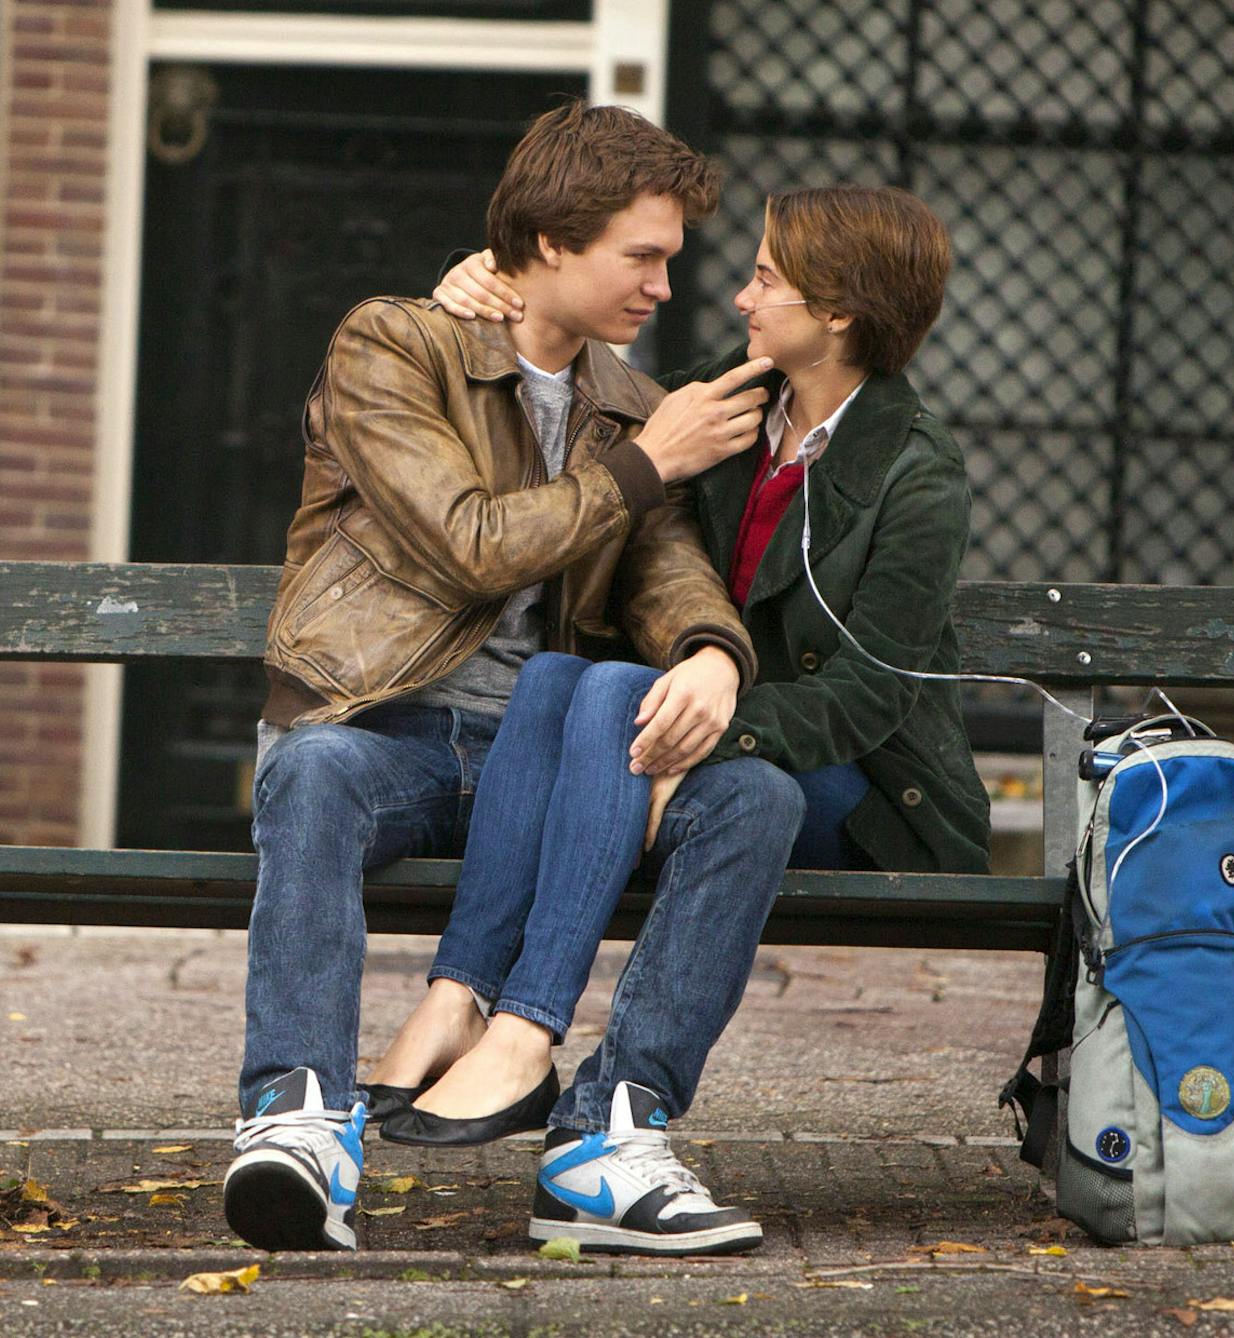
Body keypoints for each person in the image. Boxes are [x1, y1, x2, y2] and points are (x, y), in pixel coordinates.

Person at [363, 184, 990, 1255]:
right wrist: (482, 287)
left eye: (765, 278)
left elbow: (870, 696)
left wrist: (716, 727)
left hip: (866, 785)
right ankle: (503, 1032)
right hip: (723, 750)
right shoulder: (736, 408)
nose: (740, 297)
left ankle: (545, 1048)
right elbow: (579, 394)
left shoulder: (914, 473)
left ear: (837, 311)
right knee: (572, 677)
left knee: (714, 764)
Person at [222, 101, 774, 1254]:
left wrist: (714, 652)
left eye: (670, 260)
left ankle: (607, 1131)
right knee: (313, 772)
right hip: (395, 735)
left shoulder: (630, 406)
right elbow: (465, 540)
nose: (664, 288)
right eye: (643, 256)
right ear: (553, 241)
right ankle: (300, 1119)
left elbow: (668, 572)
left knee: (749, 804)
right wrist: (643, 463)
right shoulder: (395, 345)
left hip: (553, 751)